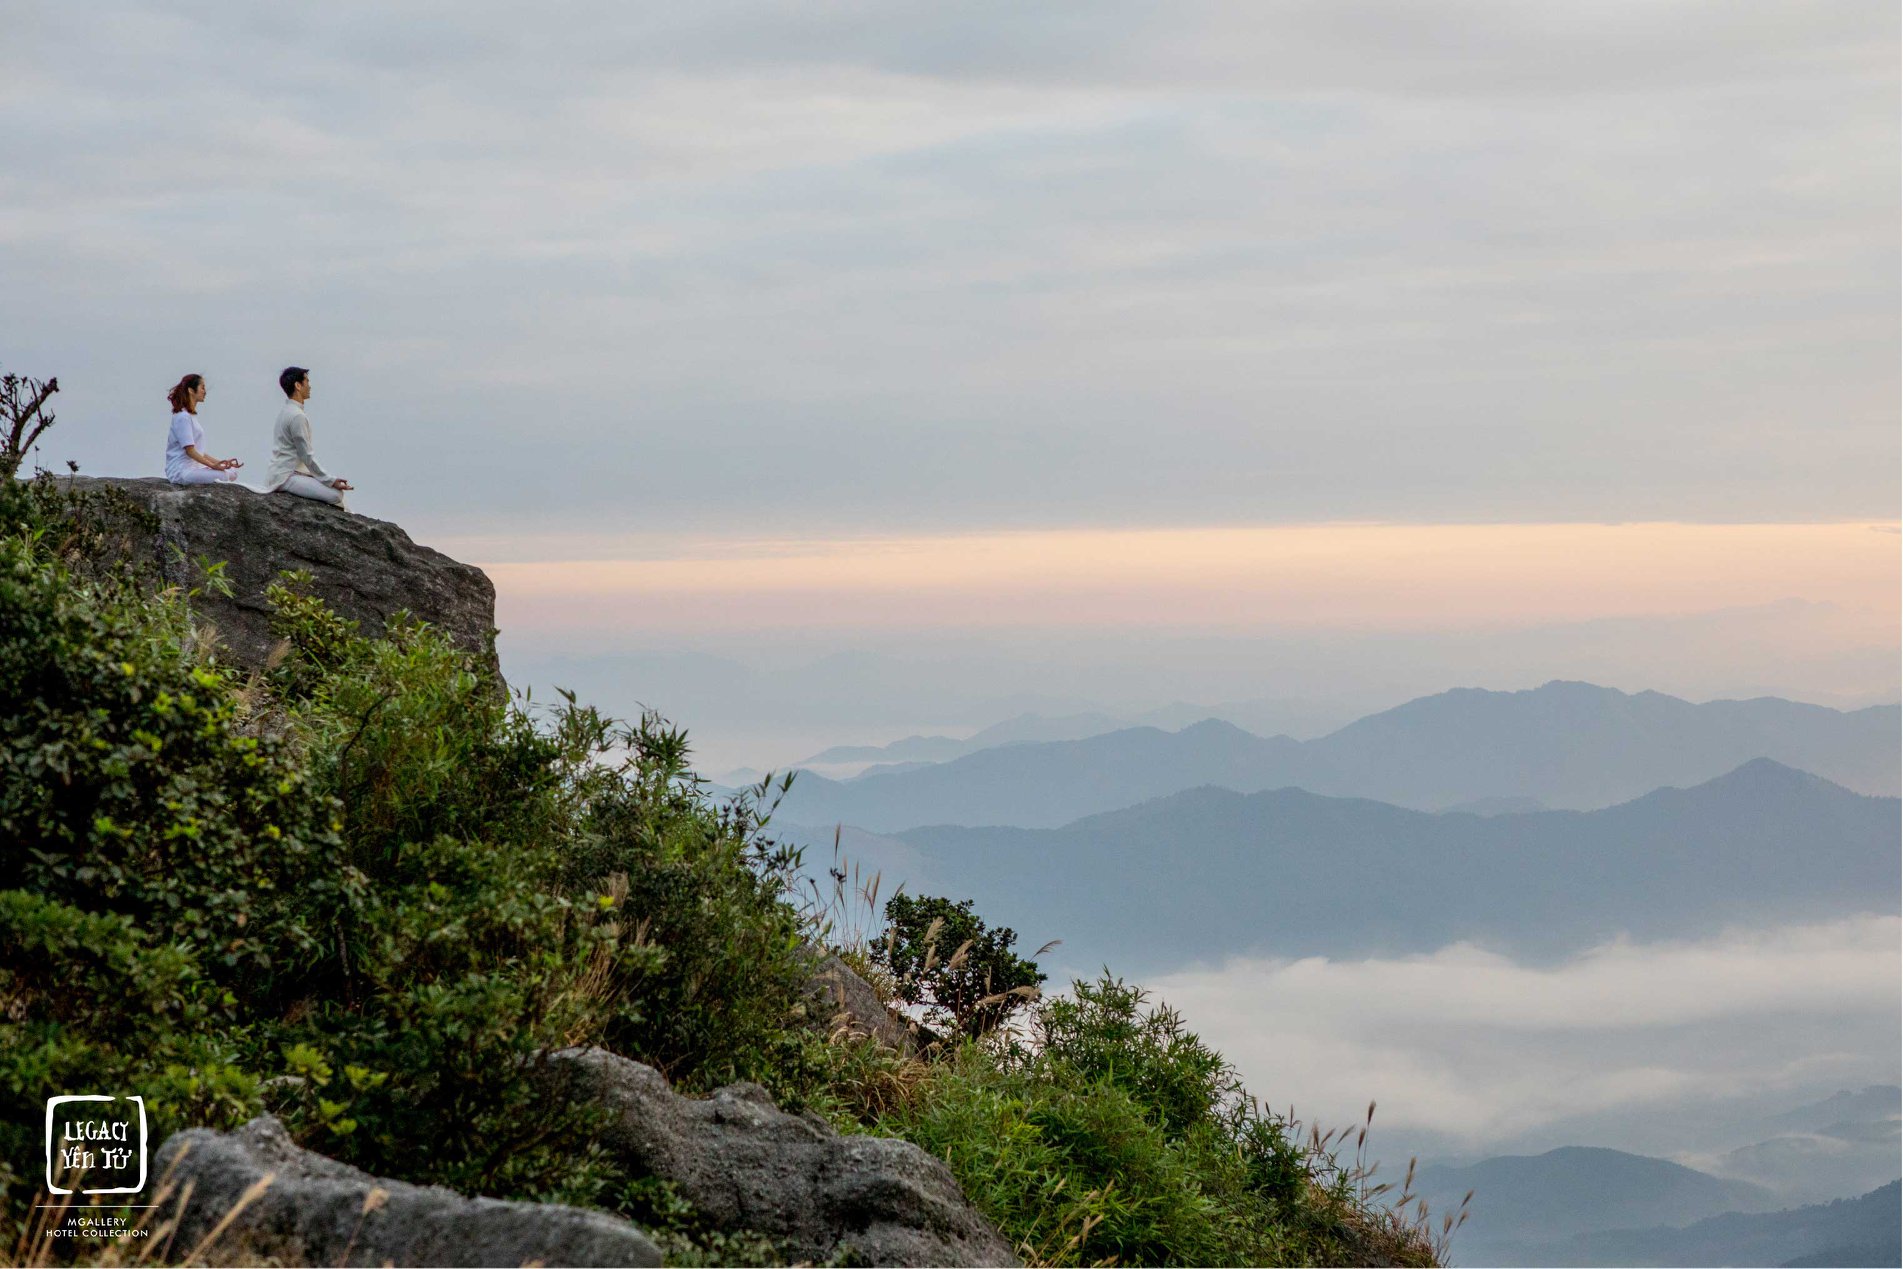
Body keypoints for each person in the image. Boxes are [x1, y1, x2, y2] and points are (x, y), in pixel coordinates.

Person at [266, 366, 353, 507]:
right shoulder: (297, 416)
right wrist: (330, 480)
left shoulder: (287, 412)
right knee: (336, 495)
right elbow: (306, 455)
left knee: (341, 499)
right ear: (298, 385)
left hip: (283, 473)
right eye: (307, 381)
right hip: (286, 477)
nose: (310, 386)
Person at [164, 374, 243, 485]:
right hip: (181, 471)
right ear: (191, 390)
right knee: (227, 475)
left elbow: (198, 451)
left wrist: (221, 463)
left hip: (192, 469)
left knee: (232, 471)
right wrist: (212, 466)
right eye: (202, 387)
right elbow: (190, 451)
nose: (205, 392)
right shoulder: (182, 417)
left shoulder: (189, 416)